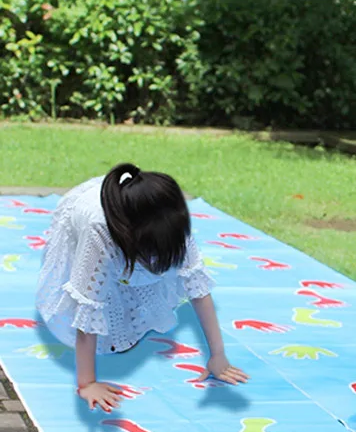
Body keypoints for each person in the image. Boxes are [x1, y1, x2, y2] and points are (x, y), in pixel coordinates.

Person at [36, 163, 248, 412]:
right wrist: (87, 383)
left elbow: (199, 290)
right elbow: (88, 306)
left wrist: (218, 356)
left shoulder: (173, 225)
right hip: (88, 220)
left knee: (132, 304)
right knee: (102, 287)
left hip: (130, 223)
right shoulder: (98, 231)